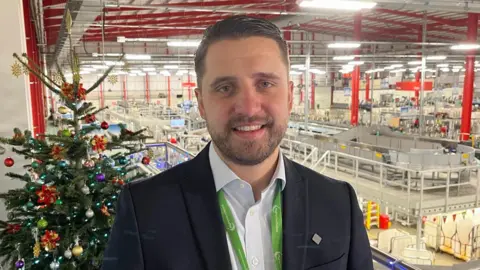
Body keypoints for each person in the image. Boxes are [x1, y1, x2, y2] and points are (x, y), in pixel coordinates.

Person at [102, 15, 373, 270]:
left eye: (265, 84)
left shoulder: (338, 203)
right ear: (201, 103)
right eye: (225, 88)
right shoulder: (145, 210)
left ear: (290, 96)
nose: (248, 108)